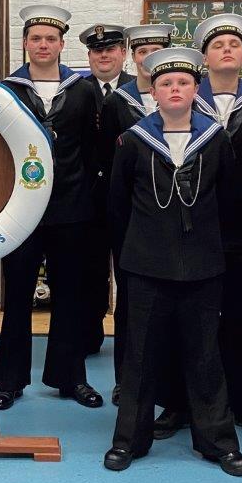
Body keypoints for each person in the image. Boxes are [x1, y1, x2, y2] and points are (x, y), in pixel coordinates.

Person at [104, 47, 242, 477]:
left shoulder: (215, 138)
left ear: (195, 89)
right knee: (140, 355)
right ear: (153, 90)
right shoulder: (133, 140)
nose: (174, 89)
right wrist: (129, 257)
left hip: (202, 267)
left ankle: (218, 441)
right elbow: (117, 205)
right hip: (147, 266)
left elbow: (228, 201)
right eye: (166, 83)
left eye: (183, 83)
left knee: (206, 354)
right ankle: (129, 439)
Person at [150, 13, 242, 436]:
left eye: (235, 45)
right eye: (218, 44)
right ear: (203, 58)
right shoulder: (183, 101)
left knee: (240, 319)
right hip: (191, 230)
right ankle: (177, 403)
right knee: (185, 321)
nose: (227, 50)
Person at [0, 4, 103, 410]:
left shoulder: (83, 88)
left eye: (51, 39)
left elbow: (93, 151)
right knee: (17, 293)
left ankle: (70, 377)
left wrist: (86, 199)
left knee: (71, 296)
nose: (43, 45)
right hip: (20, 209)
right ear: (24, 44)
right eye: (36, 38)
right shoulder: (4, 90)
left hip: (71, 209)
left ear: (61, 44)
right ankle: (9, 379)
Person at [98, 23, 176, 402]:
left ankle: (166, 378)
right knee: (129, 301)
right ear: (132, 56)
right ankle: (125, 379)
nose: (148, 58)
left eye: (156, 50)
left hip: (175, 220)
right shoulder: (119, 102)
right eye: (142, 51)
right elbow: (108, 164)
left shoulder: (186, 101)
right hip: (131, 217)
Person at [78, 23, 134, 356]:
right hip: (90, 193)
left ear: (123, 53)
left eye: (111, 49)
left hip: (127, 195)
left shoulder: (136, 90)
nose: (104, 55)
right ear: (89, 56)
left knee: (127, 269)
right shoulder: (78, 90)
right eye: (97, 50)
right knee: (91, 270)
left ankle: (129, 335)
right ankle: (90, 334)